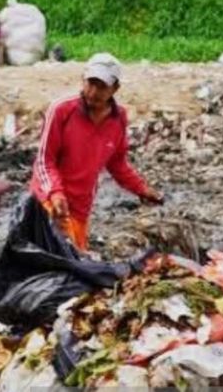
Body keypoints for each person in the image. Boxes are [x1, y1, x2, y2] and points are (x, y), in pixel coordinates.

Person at [29, 52, 162, 250]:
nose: (92, 92)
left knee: (76, 260)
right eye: (90, 83)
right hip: (48, 201)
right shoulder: (61, 110)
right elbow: (44, 160)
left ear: (115, 88)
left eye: (101, 87)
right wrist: (56, 194)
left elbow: (117, 163)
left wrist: (141, 189)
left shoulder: (118, 119)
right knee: (50, 258)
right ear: (82, 80)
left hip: (80, 205)